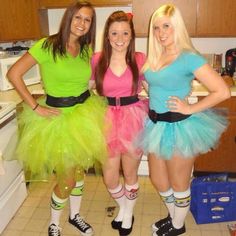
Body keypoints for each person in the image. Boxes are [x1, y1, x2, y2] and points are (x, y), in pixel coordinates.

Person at [7, 1, 107, 236]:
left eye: (88, 20)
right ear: (69, 18)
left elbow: (85, 81)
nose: (82, 24)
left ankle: (74, 216)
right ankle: (54, 223)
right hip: (59, 119)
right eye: (78, 18)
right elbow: (13, 74)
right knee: (67, 179)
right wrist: (33, 107)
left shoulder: (85, 48)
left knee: (79, 172)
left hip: (85, 113)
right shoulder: (47, 45)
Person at [138, 4, 231, 236]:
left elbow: (222, 91)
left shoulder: (189, 57)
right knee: (159, 179)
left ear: (177, 26)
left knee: (179, 183)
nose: (161, 33)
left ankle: (178, 226)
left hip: (180, 126)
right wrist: (149, 89)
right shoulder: (156, 55)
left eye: (166, 26)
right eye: (157, 28)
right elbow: (156, 82)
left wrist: (190, 108)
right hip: (155, 124)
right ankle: (174, 217)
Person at [90, 11, 148, 236]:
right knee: (110, 176)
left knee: (130, 173)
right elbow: (89, 86)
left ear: (131, 35)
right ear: (107, 36)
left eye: (125, 32)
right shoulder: (97, 59)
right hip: (106, 118)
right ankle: (125, 208)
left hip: (133, 117)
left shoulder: (140, 59)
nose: (120, 38)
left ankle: (127, 215)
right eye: (114, 33)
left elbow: (152, 85)